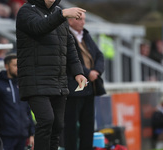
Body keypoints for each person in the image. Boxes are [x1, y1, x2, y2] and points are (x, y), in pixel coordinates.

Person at [16, 0, 87, 150]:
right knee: (46, 120)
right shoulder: (26, 11)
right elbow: (39, 27)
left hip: (58, 80)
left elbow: (69, 46)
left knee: (57, 126)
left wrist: (78, 72)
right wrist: (62, 15)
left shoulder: (58, 13)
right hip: (35, 79)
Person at [63, 12, 105, 150]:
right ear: (70, 21)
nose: (83, 22)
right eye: (79, 19)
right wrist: (88, 73)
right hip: (74, 89)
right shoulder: (65, 35)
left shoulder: (86, 35)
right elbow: (70, 61)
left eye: (84, 19)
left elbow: (99, 55)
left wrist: (96, 72)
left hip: (89, 88)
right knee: (71, 127)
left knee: (88, 127)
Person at [0, 54, 35, 150]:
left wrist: (31, 133)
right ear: (6, 66)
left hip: (22, 135)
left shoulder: (22, 86)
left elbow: (27, 111)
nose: (18, 68)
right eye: (15, 65)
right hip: (4, 136)